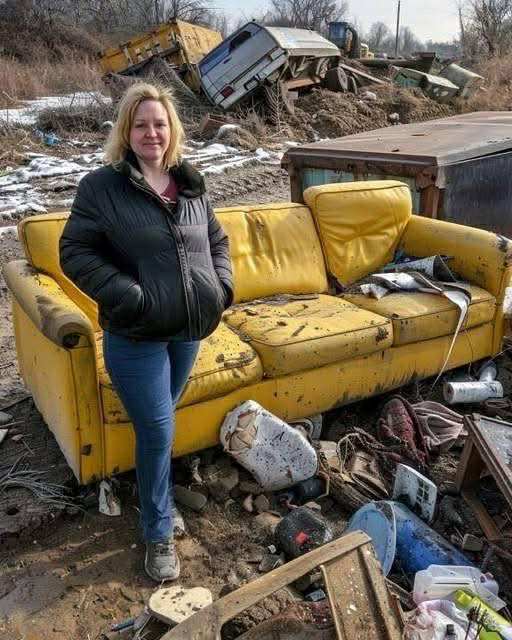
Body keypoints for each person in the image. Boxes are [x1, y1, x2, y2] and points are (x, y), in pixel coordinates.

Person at [59, 83, 233, 582]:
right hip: (135, 333)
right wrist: (131, 295)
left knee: (159, 426)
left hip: (187, 330)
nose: (151, 133)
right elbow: (75, 252)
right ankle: (158, 531)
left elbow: (216, 240)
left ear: (172, 130)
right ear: (126, 132)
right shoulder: (102, 187)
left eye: (159, 124)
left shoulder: (190, 183)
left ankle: (152, 491)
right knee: (157, 428)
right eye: (140, 125)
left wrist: (221, 288)